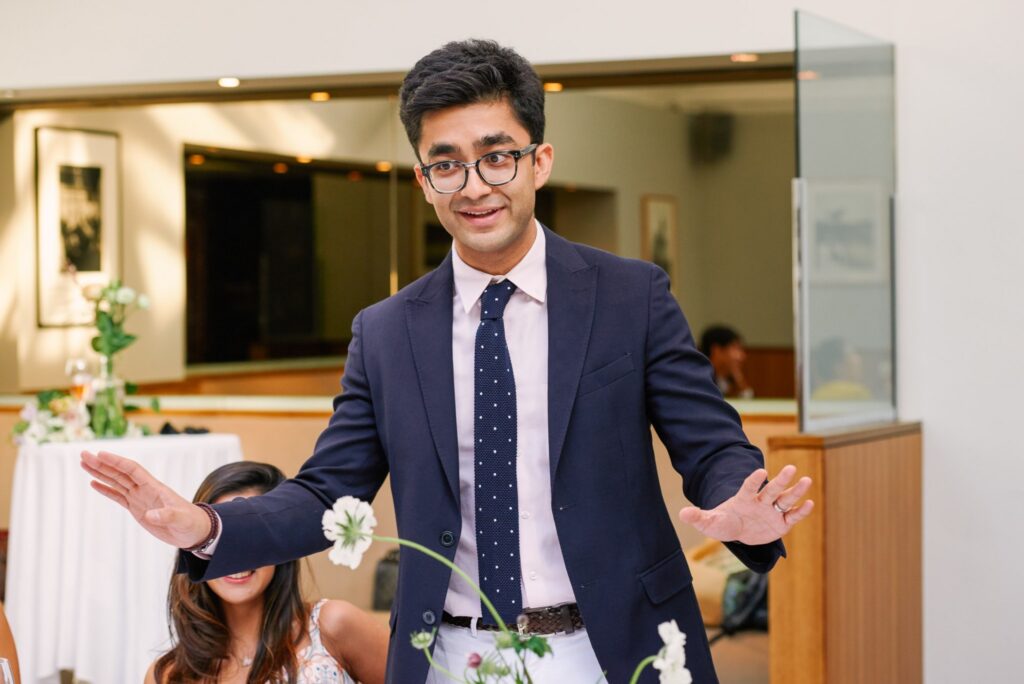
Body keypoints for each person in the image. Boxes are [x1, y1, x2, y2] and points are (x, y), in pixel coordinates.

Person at [82, 39, 814, 683]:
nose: (475, 185)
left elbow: (710, 443)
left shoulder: (630, 295)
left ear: (539, 161)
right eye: (448, 164)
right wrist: (205, 527)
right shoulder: (385, 332)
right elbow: (324, 494)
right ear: (422, 179)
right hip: (450, 660)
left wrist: (740, 508)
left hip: (612, 649)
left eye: (497, 156)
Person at [144, 461, 387, 684]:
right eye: (221, 541)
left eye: (249, 538)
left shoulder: (334, 626)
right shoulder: (170, 673)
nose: (235, 558)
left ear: (278, 542)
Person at [699, 325, 754, 399]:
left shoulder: (726, 379)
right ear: (717, 351)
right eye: (735, 348)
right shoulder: (700, 380)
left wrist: (739, 380)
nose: (742, 356)